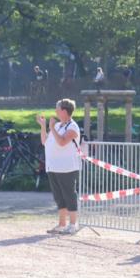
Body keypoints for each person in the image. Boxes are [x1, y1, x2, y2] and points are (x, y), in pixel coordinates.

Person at [38, 99, 81, 235]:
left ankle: (73, 224)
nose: (55, 111)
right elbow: (44, 141)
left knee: (69, 195)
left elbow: (62, 142)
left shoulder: (73, 127)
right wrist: (43, 126)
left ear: (64, 111)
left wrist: (51, 128)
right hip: (53, 167)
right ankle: (62, 224)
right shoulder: (57, 126)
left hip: (67, 167)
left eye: (57, 109)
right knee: (59, 197)